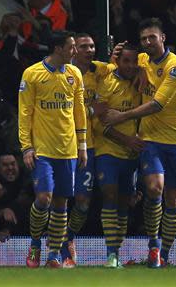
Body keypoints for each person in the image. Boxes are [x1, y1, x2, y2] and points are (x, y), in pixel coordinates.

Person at [104, 17, 176, 268]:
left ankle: (163, 254)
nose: (148, 42)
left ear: (163, 38)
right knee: (154, 188)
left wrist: (122, 116)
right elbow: (120, 64)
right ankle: (153, 245)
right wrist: (117, 54)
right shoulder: (142, 60)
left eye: (152, 37)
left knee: (173, 199)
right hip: (150, 139)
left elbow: (158, 104)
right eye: (144, 39)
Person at [18, 30, 87, 268]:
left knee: (60, 204)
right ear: (58, 49)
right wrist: (26, 147)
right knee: (44, 198)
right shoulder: (32, 74)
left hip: (68, 150)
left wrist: (83, 146)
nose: (75, 51)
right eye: (72, 47)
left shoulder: (75, 73)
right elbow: (25, 113)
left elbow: (79, 111)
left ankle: (54, 254)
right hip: (43, 150)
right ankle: (35, 244)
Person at [59, 33, 110, 267]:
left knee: (83, 202)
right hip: (67, 144)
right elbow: (67, 111)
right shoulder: (65, 74)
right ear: (73, 50)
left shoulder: (101, 70)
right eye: (84, 46)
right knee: (61, 197)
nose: (90, 50)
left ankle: (68, 235)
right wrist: (92, 111)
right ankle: (54, 243)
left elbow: (128, 68)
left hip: (93, 145)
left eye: (92, 46)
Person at [93, 44, 143, 268]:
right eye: (126, 61)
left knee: (125, 202)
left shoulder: (141, 81)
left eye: (134, 62)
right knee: (110, 194)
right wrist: (127, 140)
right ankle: (111, 254)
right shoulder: (106, 83)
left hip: (131, 152)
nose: (131, 66)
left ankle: (117, 253)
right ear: (118, 61)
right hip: (108, 149)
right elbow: (99, 122)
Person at [0, 153, 34, 241]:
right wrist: (1, 213)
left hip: (29, 237)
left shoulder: (26, 181)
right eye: (5, 165)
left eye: (13, 164)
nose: (10, 168)